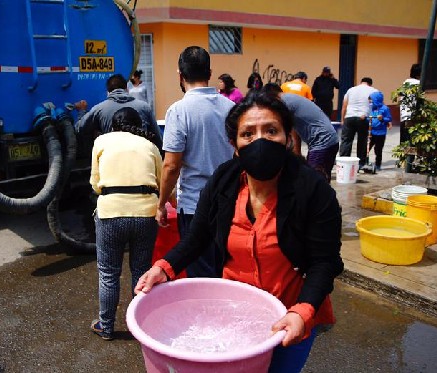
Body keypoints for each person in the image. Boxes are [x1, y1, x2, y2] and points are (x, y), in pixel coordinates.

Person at [135, 91, 343, 373]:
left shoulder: (313, 190)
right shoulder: (224, 180)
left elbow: (324, 262)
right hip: (235, 314)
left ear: (289, 137)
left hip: (291, 313)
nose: (260, 141)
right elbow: (198, 237)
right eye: (248, 133)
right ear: (235, 144)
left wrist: (303, 311)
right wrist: (164, 267)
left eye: (271, 130)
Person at [157, 46, 235, 278]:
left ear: (180, 75)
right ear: (210, 73)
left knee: (201, 276)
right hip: (229, 203)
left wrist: (162, 204)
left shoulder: (179, 111)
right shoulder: (231, 108)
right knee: (225, 270)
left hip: (194, 207)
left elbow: (171, 165)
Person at [89, 107, 162, 340]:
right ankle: (139, 325)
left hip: (111, 212)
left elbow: (95, 183)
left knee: (109, 273)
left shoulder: (101, 141)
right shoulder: (149, 145)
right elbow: (163, 181)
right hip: (145, 214)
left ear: (114, 125)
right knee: (140, 271)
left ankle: (106, 326)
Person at [264, 83, 339, 182]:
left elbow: (280, 129)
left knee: (313, 181)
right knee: (319, 179)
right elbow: (294, 132)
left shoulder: (284, 102)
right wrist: (297, 156)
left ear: (271, 95)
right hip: (329, 141)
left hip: (322, 142)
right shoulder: (291, 100)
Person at [76, 74, 162, 151]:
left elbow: (79, 128)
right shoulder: (144, 107)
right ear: (127, 89)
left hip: (111, 160)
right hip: (141, 158)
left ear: (108, 92)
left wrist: (81, 111)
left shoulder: (99, 109)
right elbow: (158, 137)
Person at [339, 77, 378, 169]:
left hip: (349, 117)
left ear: (361, 82)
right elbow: (377, 106)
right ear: (370, 84)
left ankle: (343, 162)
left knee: (346, 140)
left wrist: (342, 119)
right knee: (362, 141)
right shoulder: (374, 91)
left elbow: (344, 106)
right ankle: (360, 163)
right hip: (363, 118)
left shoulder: (351, 90)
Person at [367, 91, 392, 171]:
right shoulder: (371, 108)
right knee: (366, 148)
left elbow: (389, 118)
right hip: (371, 132)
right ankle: (363, 162)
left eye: (371, 100)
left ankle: (378, 165)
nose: (370, 102)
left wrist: (382, 119)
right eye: (369, 101)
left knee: (378, 149)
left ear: (376, 100)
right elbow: (368, 118)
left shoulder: (385, 108)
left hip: (381, 133)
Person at [399, 63, 421, 143]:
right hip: (412, 117)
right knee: (411, 143)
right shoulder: (418, 85)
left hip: (403, 116)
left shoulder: (406, 83)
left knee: (404, 143)